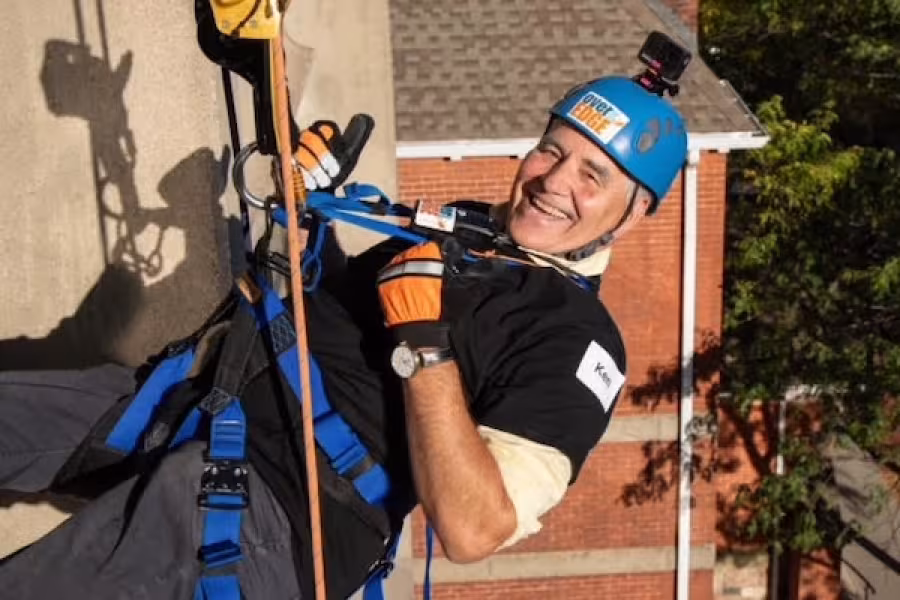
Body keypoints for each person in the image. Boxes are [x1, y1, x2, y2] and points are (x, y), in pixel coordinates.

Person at [0, 73, 687, 599]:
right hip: (192, 402)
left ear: (634, 212)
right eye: (551, 151)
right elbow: (333, 310)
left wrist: (425, 346)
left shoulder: (578, 342)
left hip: (266, 512)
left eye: (592, 176)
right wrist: (307, 213)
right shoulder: (467, 229)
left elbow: (474, 529)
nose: (553, 182)